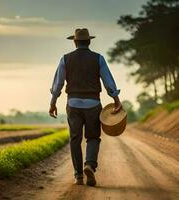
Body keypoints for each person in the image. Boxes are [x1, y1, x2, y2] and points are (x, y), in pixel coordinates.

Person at [49, 28, 122, 186]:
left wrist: (53, 102)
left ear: (75, 42)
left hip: (73, 104)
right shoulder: (98, 59)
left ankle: (78, 176)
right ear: (89, 42)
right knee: (93, 137)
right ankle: (89, 165)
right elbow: (108, 80)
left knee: (75, 139)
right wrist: (116, 99)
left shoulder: (65, 59)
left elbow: (58, 83)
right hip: (93, 103)